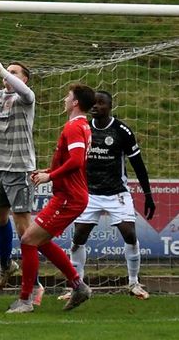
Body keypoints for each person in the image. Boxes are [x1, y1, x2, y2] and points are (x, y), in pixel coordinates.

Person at [6, 83, 95, 313]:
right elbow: (73, 160)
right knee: (39, 241)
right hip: (69, 194)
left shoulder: (75, 127)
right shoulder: (82, 126)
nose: (65, 99)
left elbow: (76, 161)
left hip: (69, 197)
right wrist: (48, 170)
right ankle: (78, 286)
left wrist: (49, 176)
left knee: (28, 240)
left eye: (68, 96)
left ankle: (26, 301)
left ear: (75, 102)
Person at [61, 91, 156, 300]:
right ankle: (77, 286)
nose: (96, 107)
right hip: (88, 193)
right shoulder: (82, 128)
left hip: (117, 193)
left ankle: (133, 283)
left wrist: (148, 194)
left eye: (101, 103)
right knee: (78, 238)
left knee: (130, 235)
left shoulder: (121, 130)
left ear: (110, 106)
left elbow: (138, 165)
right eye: (93, 104)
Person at [0, 57, 43, 304]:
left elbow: (25, 92)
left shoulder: (26, 98)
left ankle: (35, 284)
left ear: (23, 78)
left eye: (15, 72)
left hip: (20, 170)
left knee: (25, 229)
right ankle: (6, 266)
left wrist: (1, 69)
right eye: (8, 71)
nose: (8, 75)